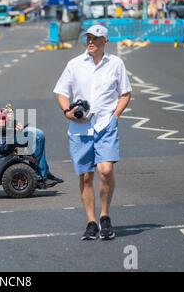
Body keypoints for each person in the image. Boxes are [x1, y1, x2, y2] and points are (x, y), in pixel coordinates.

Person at [54, 25, 132, 241]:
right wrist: (67, 112)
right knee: (86, 176)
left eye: (95, 38)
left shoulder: (116, 64)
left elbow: (125, 93)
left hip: (106, 124)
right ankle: (91, 221)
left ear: (104, 41)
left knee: (105, 170)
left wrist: (115, 115)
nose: (90, 41)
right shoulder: (74, 64)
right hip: (80, 128)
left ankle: (105, 215)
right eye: (88, 37)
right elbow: (61, 92)